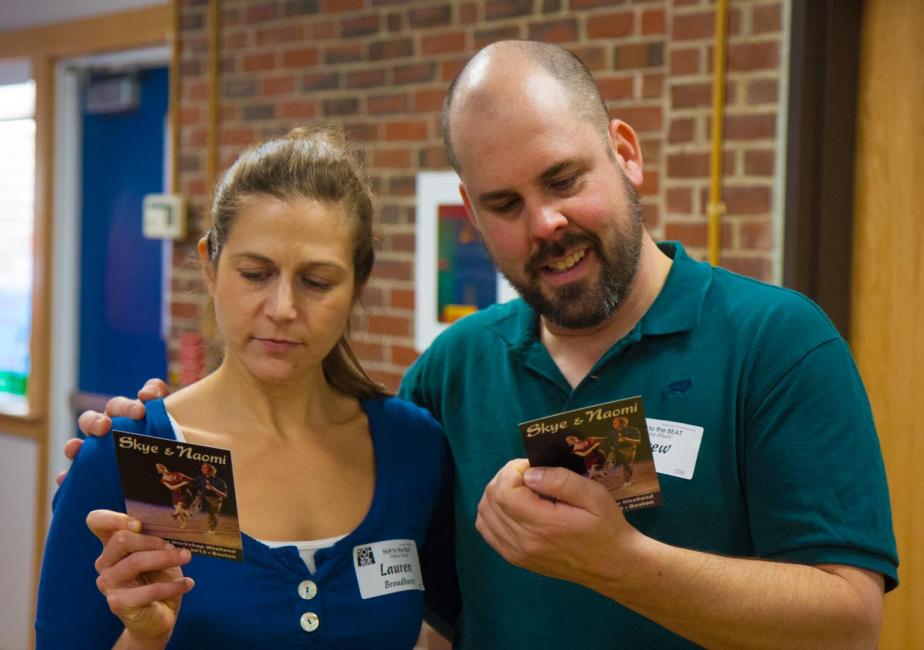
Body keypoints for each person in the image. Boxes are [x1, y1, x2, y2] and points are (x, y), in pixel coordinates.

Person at [63, 41, 898, 648]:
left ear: (625, 152)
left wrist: (621, 561)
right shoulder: (450, 377)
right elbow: (430, 610)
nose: (545, 222)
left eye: (564, 179)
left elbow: (851, 622)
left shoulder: (775, 343)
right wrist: (137, 440)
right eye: (504, 204)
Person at [36, 125, 453, 649]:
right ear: (210, 267)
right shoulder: (138, 456)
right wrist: (144, 638)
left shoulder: (412, 446)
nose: (283, 308)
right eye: (255, 274)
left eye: (317, 282)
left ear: (358, 284)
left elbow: (453, 623)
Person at [155, 463, 195, 528]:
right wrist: (182, 483)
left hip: (184, 493)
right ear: (160, 471)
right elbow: (172, 488)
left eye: (162, 467)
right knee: (178, 510)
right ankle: (183, 523)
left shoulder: (176, 473)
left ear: (165, 467)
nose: (163, 469)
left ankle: (179, 514)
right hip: (175, 495)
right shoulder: (163, 480)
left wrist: (195, 481)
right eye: (160, 469)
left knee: (179, 506)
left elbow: (190, 479)